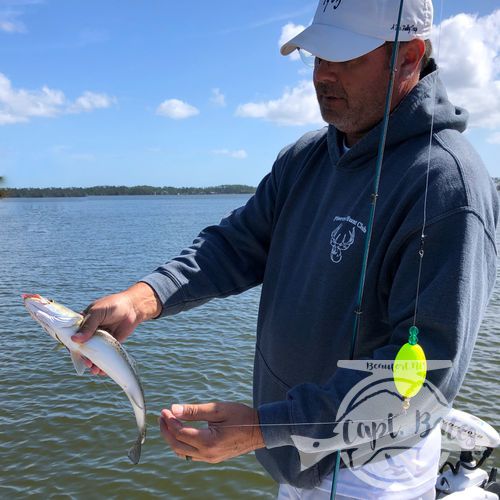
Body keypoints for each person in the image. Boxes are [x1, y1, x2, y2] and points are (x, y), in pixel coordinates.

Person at [72, 0, 499, 498]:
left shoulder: (448, 187)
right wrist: (145, 297)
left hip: (373, 468)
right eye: (318, 56)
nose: (324, 76)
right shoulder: (305, 157)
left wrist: (263, 428)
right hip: (290, 449)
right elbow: (236, 243)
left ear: (409, 57)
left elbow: (422, 379)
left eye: (346, 58)